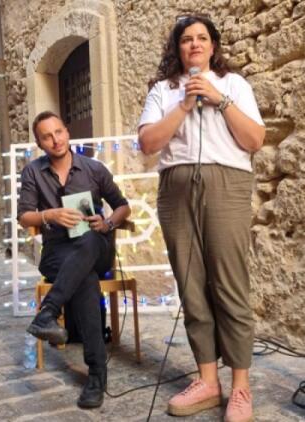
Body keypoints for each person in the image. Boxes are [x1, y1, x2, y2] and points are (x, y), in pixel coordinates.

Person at [138, 14, 265, 422]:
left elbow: (254, 140)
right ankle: (208, 381)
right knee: (190, 285)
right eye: (186, 39)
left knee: (229, 283)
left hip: (226, 183)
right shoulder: (163, 90)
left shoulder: (234, 84)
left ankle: (240, 387)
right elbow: (148, 143)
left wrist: (218, 99)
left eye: (202, 38)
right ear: (178, 49)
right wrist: (184, 105)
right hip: (176, 188)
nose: (194, 44)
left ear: (213, 46)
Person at [18, 111, 131, 409]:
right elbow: (24, 216)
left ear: (67, 132)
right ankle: (97, 374)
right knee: (85, 279)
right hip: (57, 253)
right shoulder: (32, 172)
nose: (55, 140)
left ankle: (47, 312)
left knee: (90, 241)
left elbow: (123, 206)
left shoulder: (94, 168)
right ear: (39, 143)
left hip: (96, 245)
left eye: (58, 132)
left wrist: (107, 223)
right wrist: (50, 215)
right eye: (46, 136)